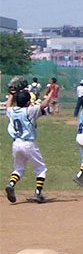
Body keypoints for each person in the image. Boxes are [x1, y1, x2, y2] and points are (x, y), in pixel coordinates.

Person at [4, 76, 54, 204]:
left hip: (16, 143)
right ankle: (38, 193)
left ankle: (11, 184)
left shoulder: (12, 111)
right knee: (41, 168)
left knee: (19, 169)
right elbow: (43, 105)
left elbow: (8, 105)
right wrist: (51, 93)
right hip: (28, 143)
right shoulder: (29, 111)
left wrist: (11, 94)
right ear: (27, 102)